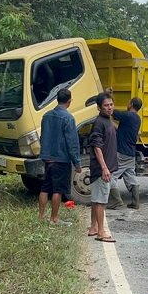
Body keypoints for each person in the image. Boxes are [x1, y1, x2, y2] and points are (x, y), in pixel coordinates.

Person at [38, 88, 82, 226]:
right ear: (69, 101)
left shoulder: (46, 116)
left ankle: (41, 216)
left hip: (48, 158)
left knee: (45, 188)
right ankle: (54, 218)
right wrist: (77, 162)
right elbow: (72, 142)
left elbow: (43, 136)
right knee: (58, 189)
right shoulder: (68, 118)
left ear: (57, 99)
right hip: (61, 159)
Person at [86, 92, 118, 242]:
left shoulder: (107, 121)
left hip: (104, 167)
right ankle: (101, 232)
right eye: (106, 105)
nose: (109, 107)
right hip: (101, 169)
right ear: (99, 107)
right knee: (100, 201)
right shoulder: (99, 123)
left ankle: (93, 227)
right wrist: (104, 168)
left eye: (111, 104)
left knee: (96, 199)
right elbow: (97, 146)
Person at [110, 97, 143, 209]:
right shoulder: (137, 119)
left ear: (132, 104)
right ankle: (135, 202)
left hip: (121, 152)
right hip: (131, 153)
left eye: (128, 102)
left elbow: (112, 112)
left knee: (111, 176)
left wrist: (109, 97)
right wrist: (111, 122)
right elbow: (120, 129)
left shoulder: (127, 115)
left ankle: (117, 201)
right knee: (130, 176)